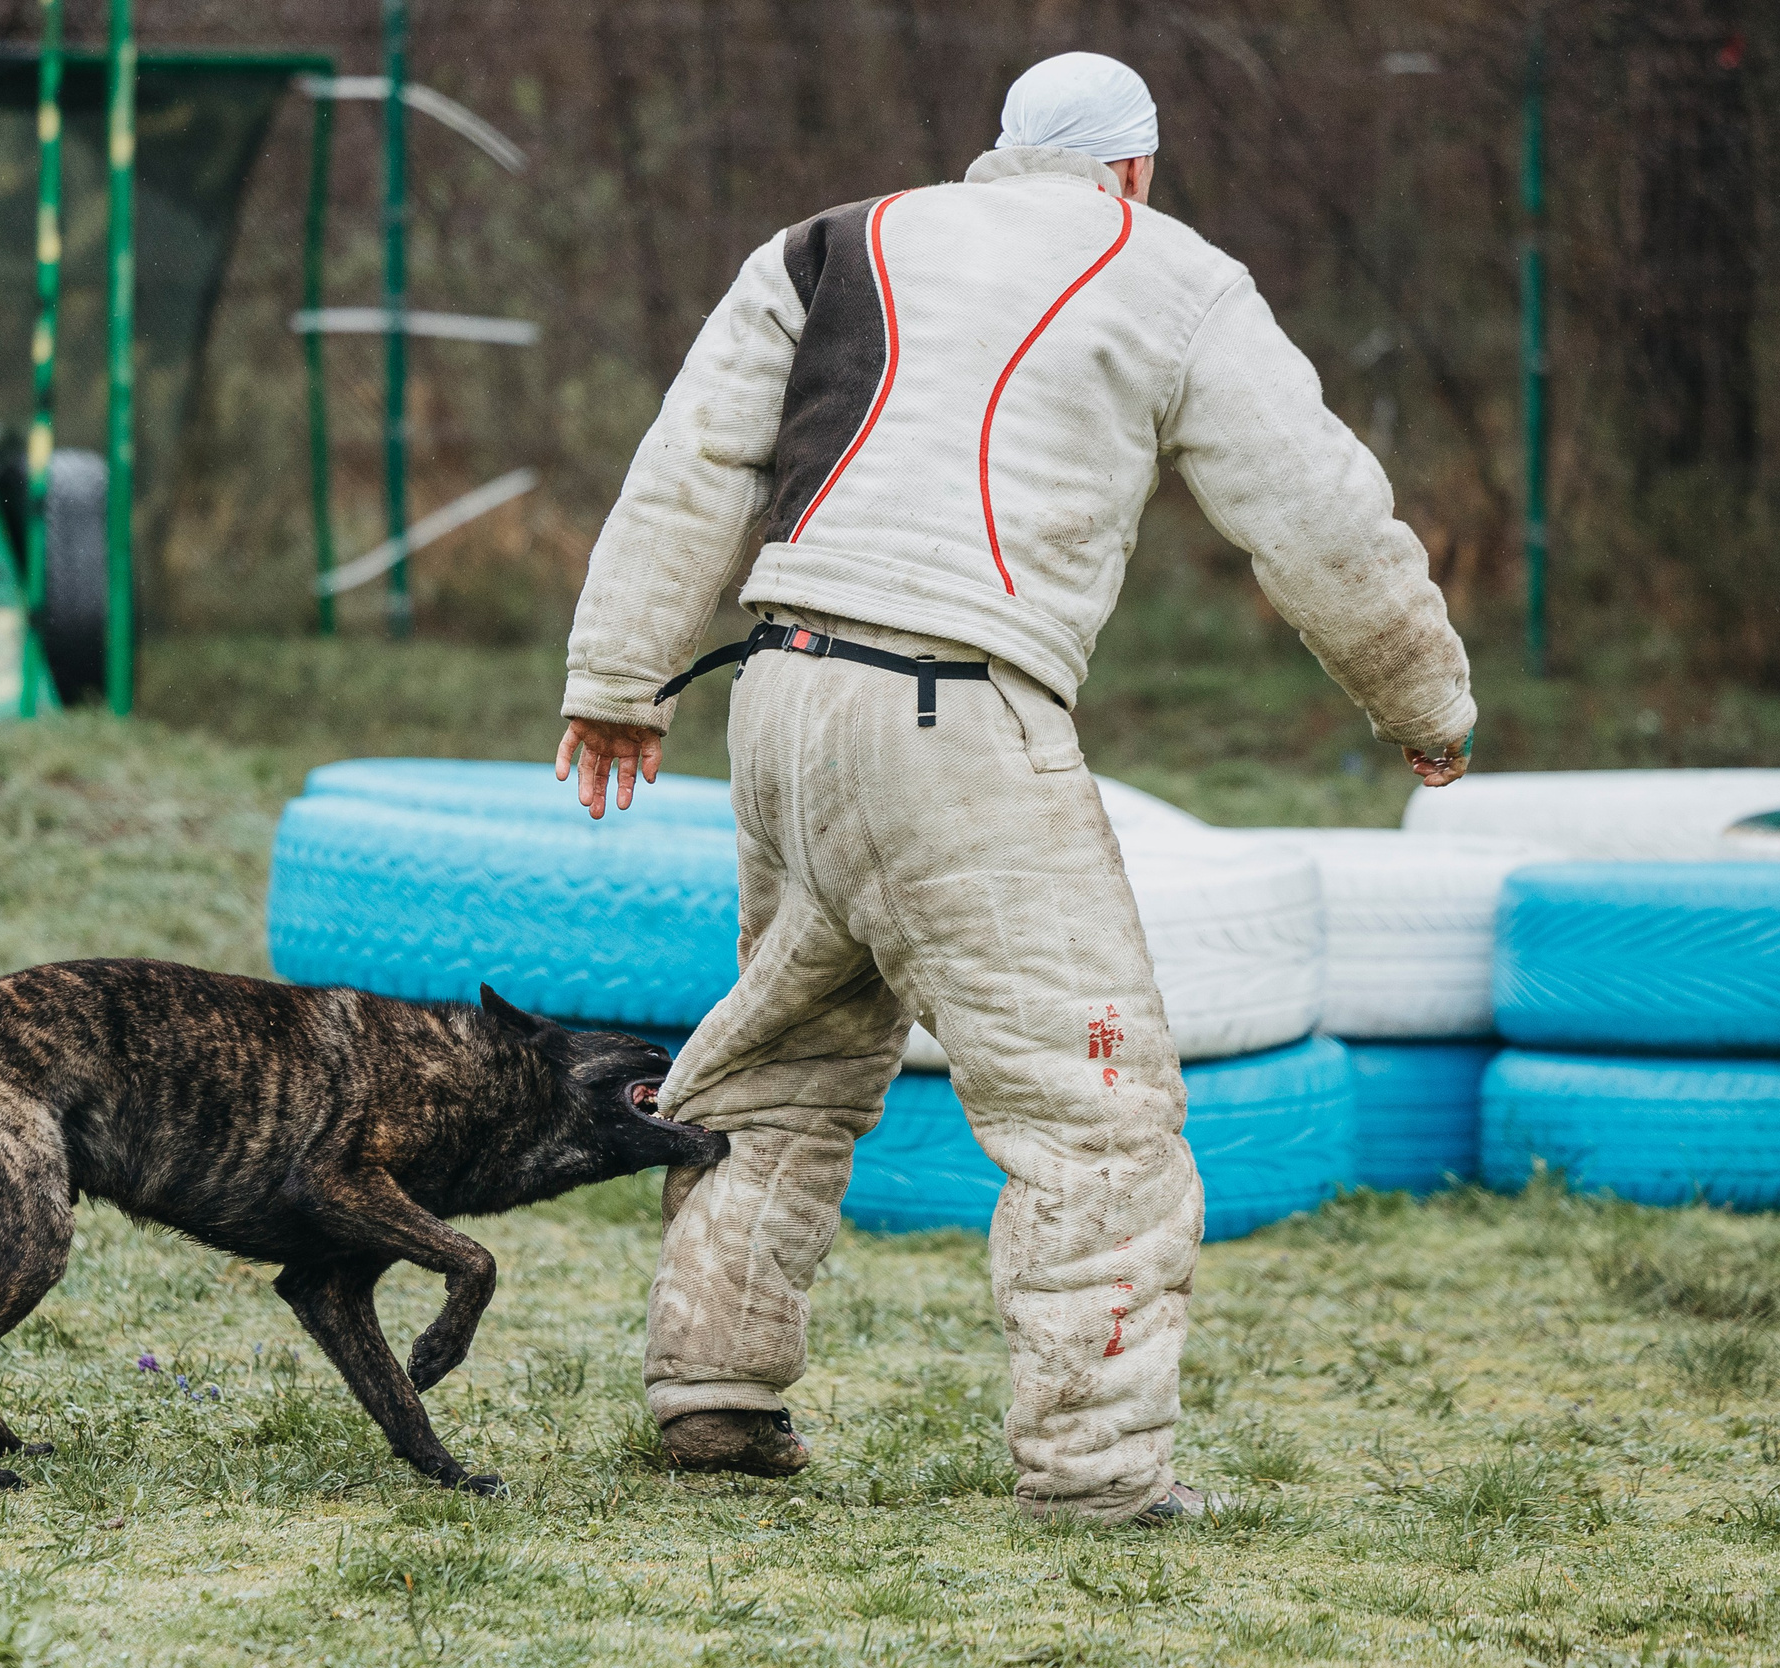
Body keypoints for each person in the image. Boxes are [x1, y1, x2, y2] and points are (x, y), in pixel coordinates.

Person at [554, 50, 1474, 1525]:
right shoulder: (1172, 274)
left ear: (1000, 151)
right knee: (1095, 1110)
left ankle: (714, 1389)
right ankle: (1100, 1470)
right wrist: (1422, 697)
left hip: (780, 696)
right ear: (1137, 168)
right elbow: (1319, 512)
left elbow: (694, 463)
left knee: (786, 1060)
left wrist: (616, 678)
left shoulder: (831, 242)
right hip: (955, 711)